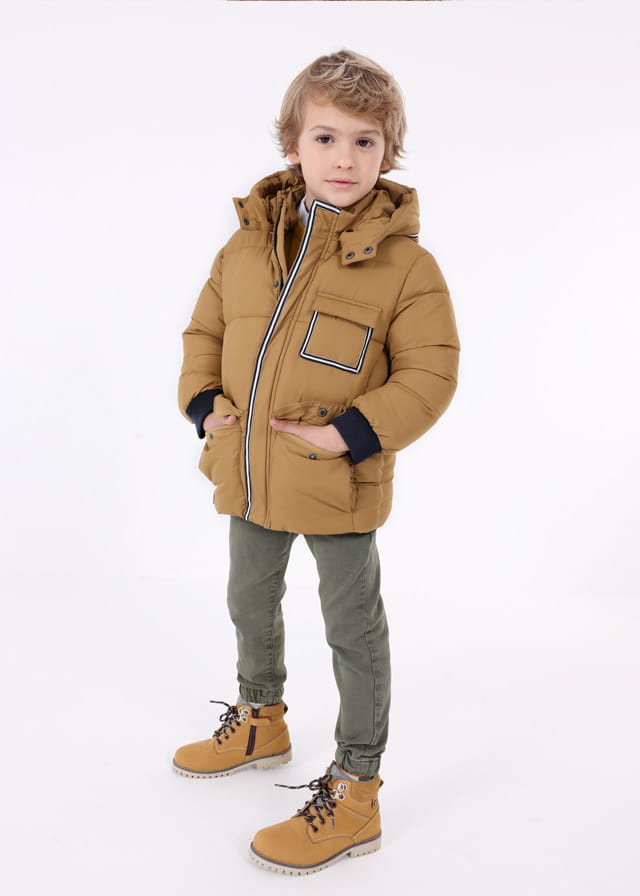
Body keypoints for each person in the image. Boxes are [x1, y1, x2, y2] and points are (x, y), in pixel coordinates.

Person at [174, 49, 460, 875]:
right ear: (292, 144)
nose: (345, 158)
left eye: (366, 142)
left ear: (388, 151)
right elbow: (204, 333)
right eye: (326, 137)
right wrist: (204, 403)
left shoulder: (407, 267)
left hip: (338, 483)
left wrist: (353, 433)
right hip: (250, 471)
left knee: (352, 631)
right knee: (247, 597)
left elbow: (432, 373)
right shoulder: (245, 248)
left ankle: (357, 788)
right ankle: (261, 720)